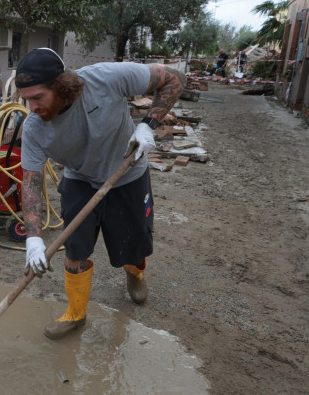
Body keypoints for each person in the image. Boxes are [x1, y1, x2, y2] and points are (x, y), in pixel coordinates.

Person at [16, 48, 184, 340]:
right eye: (26, 100)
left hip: (127, 171)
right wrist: (33, 239)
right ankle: (76, 313)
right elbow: (30, 183)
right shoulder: (33, 129)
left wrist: (148, 125)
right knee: (75, 249)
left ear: (61, 85)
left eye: (37, 98)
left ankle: (134, 273)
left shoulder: (107, 79)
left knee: (133, 244)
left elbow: (175, 79)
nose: (31, 108)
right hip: (80, 178)